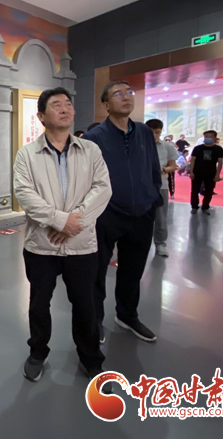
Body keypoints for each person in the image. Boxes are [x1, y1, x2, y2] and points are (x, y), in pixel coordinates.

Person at [14, 88, 111, 384]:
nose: (65, 108)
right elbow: (24, 194)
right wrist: (58, 221)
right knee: (38, 304)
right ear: (41, 116)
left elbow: (102, 188)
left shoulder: (90, 150)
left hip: (81, 244)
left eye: (68, 103)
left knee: (85, 304)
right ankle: (38, 353)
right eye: (56, 105)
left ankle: (90, 357)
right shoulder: (27, 154)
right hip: (42, 245)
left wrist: (73, 222)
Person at [83, 81, 162, 344]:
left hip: (142, 213)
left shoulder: (144, 132)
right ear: (106, 105)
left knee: (133, 269)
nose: (126, 97)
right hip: (106, 215)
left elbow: (154, 167)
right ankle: (95, 320)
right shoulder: (94, 138)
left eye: (130, 92)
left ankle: (127, 315)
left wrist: (153, 197)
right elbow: (86, 180)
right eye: (118, 94)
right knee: (96, 270)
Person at [146, 119, 178, 258]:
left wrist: (162, 170)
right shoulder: (139, 145)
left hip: (161, 185)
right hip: (142, 186)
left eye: (157, 132)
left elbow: (173, 166)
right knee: (140, 217)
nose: (155, 134)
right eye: (151, 131)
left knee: (160, 217)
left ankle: (160, 243)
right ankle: (142, 243)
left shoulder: (167, 146)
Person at [189, 130, 223, 215]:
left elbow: (220, 162)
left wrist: (217, 175)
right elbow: (193, 160)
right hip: (197, 172)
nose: (208, 138)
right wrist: (191, 172)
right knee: (195, 190)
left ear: (215, 138)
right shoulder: (197, 148)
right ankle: (194, 206)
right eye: (206, 137)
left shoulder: (218, 149)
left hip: (211, 173)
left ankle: (205, 206)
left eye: (210, 137)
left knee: (209, 191)